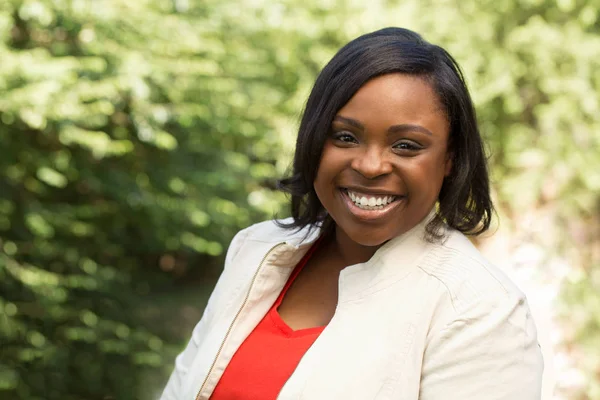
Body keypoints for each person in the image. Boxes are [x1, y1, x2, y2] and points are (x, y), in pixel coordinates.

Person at [160, 27, 544, 400]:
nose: (371, 165)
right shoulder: (257, 250)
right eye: (345, 137)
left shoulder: (481, 312)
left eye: (406, 145)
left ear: (450, 159)